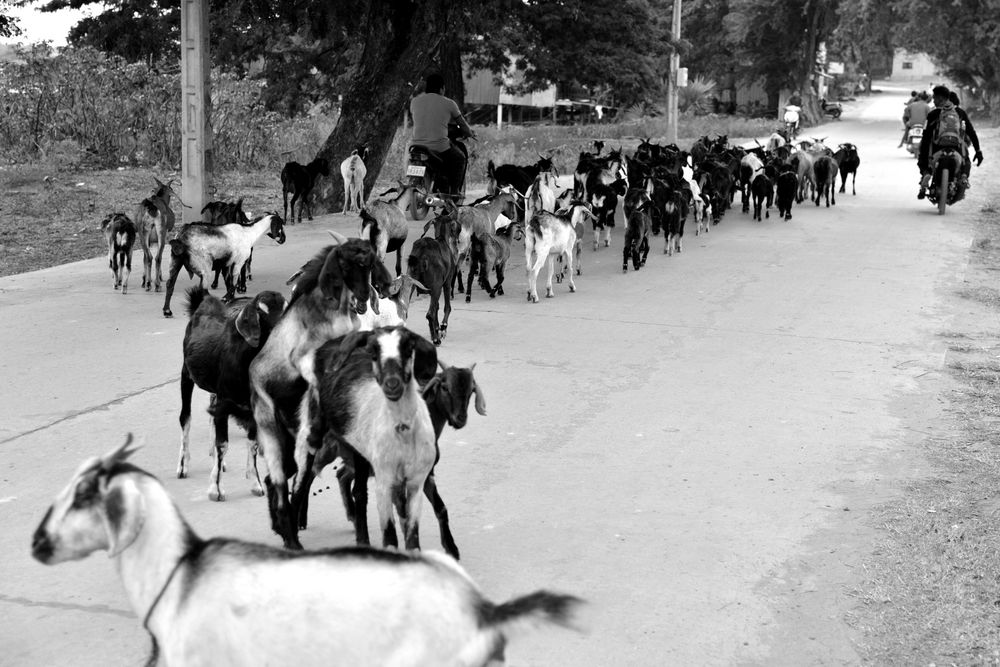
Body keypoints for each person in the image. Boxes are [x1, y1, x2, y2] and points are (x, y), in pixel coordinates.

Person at [409, 72, 476, 195]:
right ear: (442, 88)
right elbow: (463, 125)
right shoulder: (449, 103)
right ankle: (455, 192)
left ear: (427, 87)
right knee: (460, 158)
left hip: (416, 146)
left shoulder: (414, 101)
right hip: (439, 147)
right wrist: (470, 133)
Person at [917, 85, 983, 199]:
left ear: (940, 99)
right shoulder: (960, 112)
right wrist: (978, 150)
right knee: (965, 160)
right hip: (956, 147)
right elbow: (971, 132)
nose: (933, 101)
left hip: (937, 148)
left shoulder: (933, 114)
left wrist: (923, 156)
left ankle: (926, 173)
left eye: (935, 98)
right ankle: (963, 176)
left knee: (923, 156)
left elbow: (926, 136)